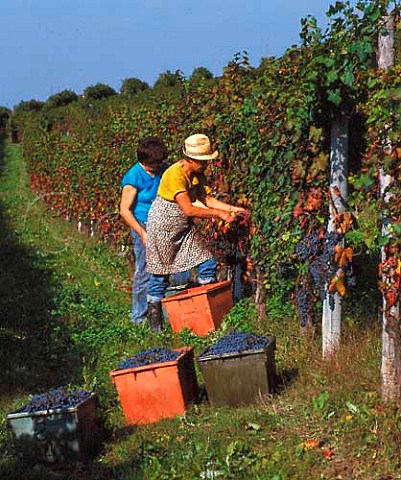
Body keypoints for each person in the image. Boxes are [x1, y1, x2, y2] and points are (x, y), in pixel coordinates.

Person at [146, 133, 249, 331]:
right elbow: (189, 209)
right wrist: (219, 215)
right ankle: (155, 327)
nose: (206, 165)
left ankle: (206, 313)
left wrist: (233, 209)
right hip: (162, 226)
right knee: (160, 275)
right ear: (190, 159)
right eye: (203, 161)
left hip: (182, 226)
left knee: (207, 261)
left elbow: (207, 200)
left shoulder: (197, 174)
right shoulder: (175, 174)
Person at [120, 137, 189, 327]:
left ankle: (172, 316)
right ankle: (139, 318)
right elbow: (124, 210)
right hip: (144, 225)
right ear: (143, 161)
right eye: (154, 163)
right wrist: (142, 233)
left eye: (160, 162)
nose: (158, 166)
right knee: (146, 271)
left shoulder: (164, 169)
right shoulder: (134, 177)